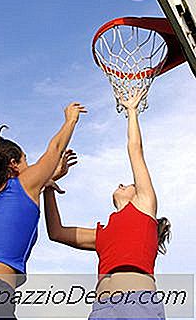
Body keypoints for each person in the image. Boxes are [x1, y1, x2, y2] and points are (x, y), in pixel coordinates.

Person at [43, 88, 171, 319]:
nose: (123, 183)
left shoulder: (144, 205)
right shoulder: (103, 232)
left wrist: (132, 111)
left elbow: (135, 151)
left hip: (138, 305)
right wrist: (48, 187)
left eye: (130, 184)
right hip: (101, 309)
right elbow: (57, 232)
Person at [0, 102, 86, 320]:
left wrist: (49, 180)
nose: (30, 166)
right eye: (26, 160)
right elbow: (54, 149)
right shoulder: (23, 185)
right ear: (14, 164)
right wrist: (70, 120)